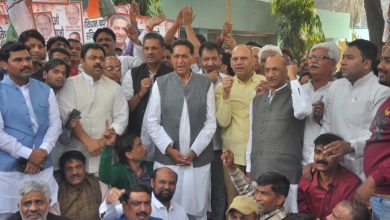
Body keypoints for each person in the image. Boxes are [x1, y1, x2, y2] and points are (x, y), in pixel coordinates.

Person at [145, 39, 216, 220]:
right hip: (168, 159)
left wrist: (194, 151)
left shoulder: (205, 83)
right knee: (165, 207)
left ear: (193, 58)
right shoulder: (160, 83)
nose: (180, 61)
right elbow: (152, 122)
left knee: (196, 209)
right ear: (171, 59)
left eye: (184, 56)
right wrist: (170, 150)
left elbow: (210, 123)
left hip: (197, 160)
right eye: (176, 56)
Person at [0, 42, 62, 218]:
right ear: (4, 65)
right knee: (10, 215)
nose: (25, 63)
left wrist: (42, 152)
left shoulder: (45, 89)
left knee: (48, 213)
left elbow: (55, 124)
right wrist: (29, 154)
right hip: (9, 173)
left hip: (43, 168)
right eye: (18, 60)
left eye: (27, 59)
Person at [246, 55, 311, 212]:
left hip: (286, 173)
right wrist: (249, 167)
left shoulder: (296, 94)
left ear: (285, 71)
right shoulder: (257, 100)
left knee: (286, 215)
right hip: (259, 170)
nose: (270, 74)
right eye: (267, 70)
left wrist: (293, 78)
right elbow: (252, 135)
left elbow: (303, 110)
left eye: (275, 69)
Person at [320, 39, 390, 179]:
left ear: (366, 64)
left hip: (362, 170)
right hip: (332, 167)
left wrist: (351, 146)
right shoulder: (335, 86)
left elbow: (379, 134)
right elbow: (327, 125)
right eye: (344, 57)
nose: (343, 62)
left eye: (350, 58)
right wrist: (320, 154)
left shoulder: (381, 90)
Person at [57, 43, 129, 174]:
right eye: (93, 58)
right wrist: (88, 141)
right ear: (82, 61)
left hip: (104, 154)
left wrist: (102, 142)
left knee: (103, 191)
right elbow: (68, 115)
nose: (98, 62)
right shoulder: (70, 84)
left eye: (101, 59)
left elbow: (121, 119)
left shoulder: (115, 88)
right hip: (75, 155)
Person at [215, 45, 265, 205]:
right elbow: (222, 121)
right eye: (235, 59)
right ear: (230, 62)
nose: (239, 63)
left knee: (260, 204)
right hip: (232, 156)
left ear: (253, 61)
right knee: (235, 204)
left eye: (243, 58)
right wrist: (226, 94)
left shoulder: (264, 83)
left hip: (259, 155)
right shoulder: (223, 86)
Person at [355, 45, 390, 219]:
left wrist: (374, 179)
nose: (380, 66)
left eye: (388, 60)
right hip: (380, 198)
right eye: (381, 59)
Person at [298, 133, 361, 219]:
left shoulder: (351, 183)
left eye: (329, 154)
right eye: (318, 152)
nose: (321, 158)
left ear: (340, 157)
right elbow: (303, 213)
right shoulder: (307, 179)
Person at [121, 32, 173, 136]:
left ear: (163, 50)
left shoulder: (173, 74)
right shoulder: (132, 74)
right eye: (146, 48)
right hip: (137, 134)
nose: (150, 52)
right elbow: (125, 109)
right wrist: (140, 94)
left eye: (154, 48)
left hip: (165, 132)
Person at [198, 41, 228, 220]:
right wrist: (204, 84)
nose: (210, 63)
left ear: (220, 59)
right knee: (198, 190)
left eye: (213, 58)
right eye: (206, 59)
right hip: (196, 147)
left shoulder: (229, 81)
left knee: (218, 190)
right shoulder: (190, 80)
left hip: (219, 146)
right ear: (199, 60)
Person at [301, 42, 341, 166]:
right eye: (311, 57)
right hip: (298, 157)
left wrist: (324, 117)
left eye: (319, 58)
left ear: (333, 64)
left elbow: (343, 125)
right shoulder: (302, 89)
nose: (313, 61)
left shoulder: (340, 89)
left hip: (324, 158)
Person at [99, 167, 188, 220]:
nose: (167, 187)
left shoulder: (181, 210)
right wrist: (108, 202)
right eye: (162, 182)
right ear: (152, 182)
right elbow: (107, 216)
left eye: (172, 183)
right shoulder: (135, 199)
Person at [58, 150, 108, 220]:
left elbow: (110, 213)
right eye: (69, 169)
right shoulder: (57, 193)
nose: (74, 172)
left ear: (84, 168)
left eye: (78, 167)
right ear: (64, 172)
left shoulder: (98, 185)